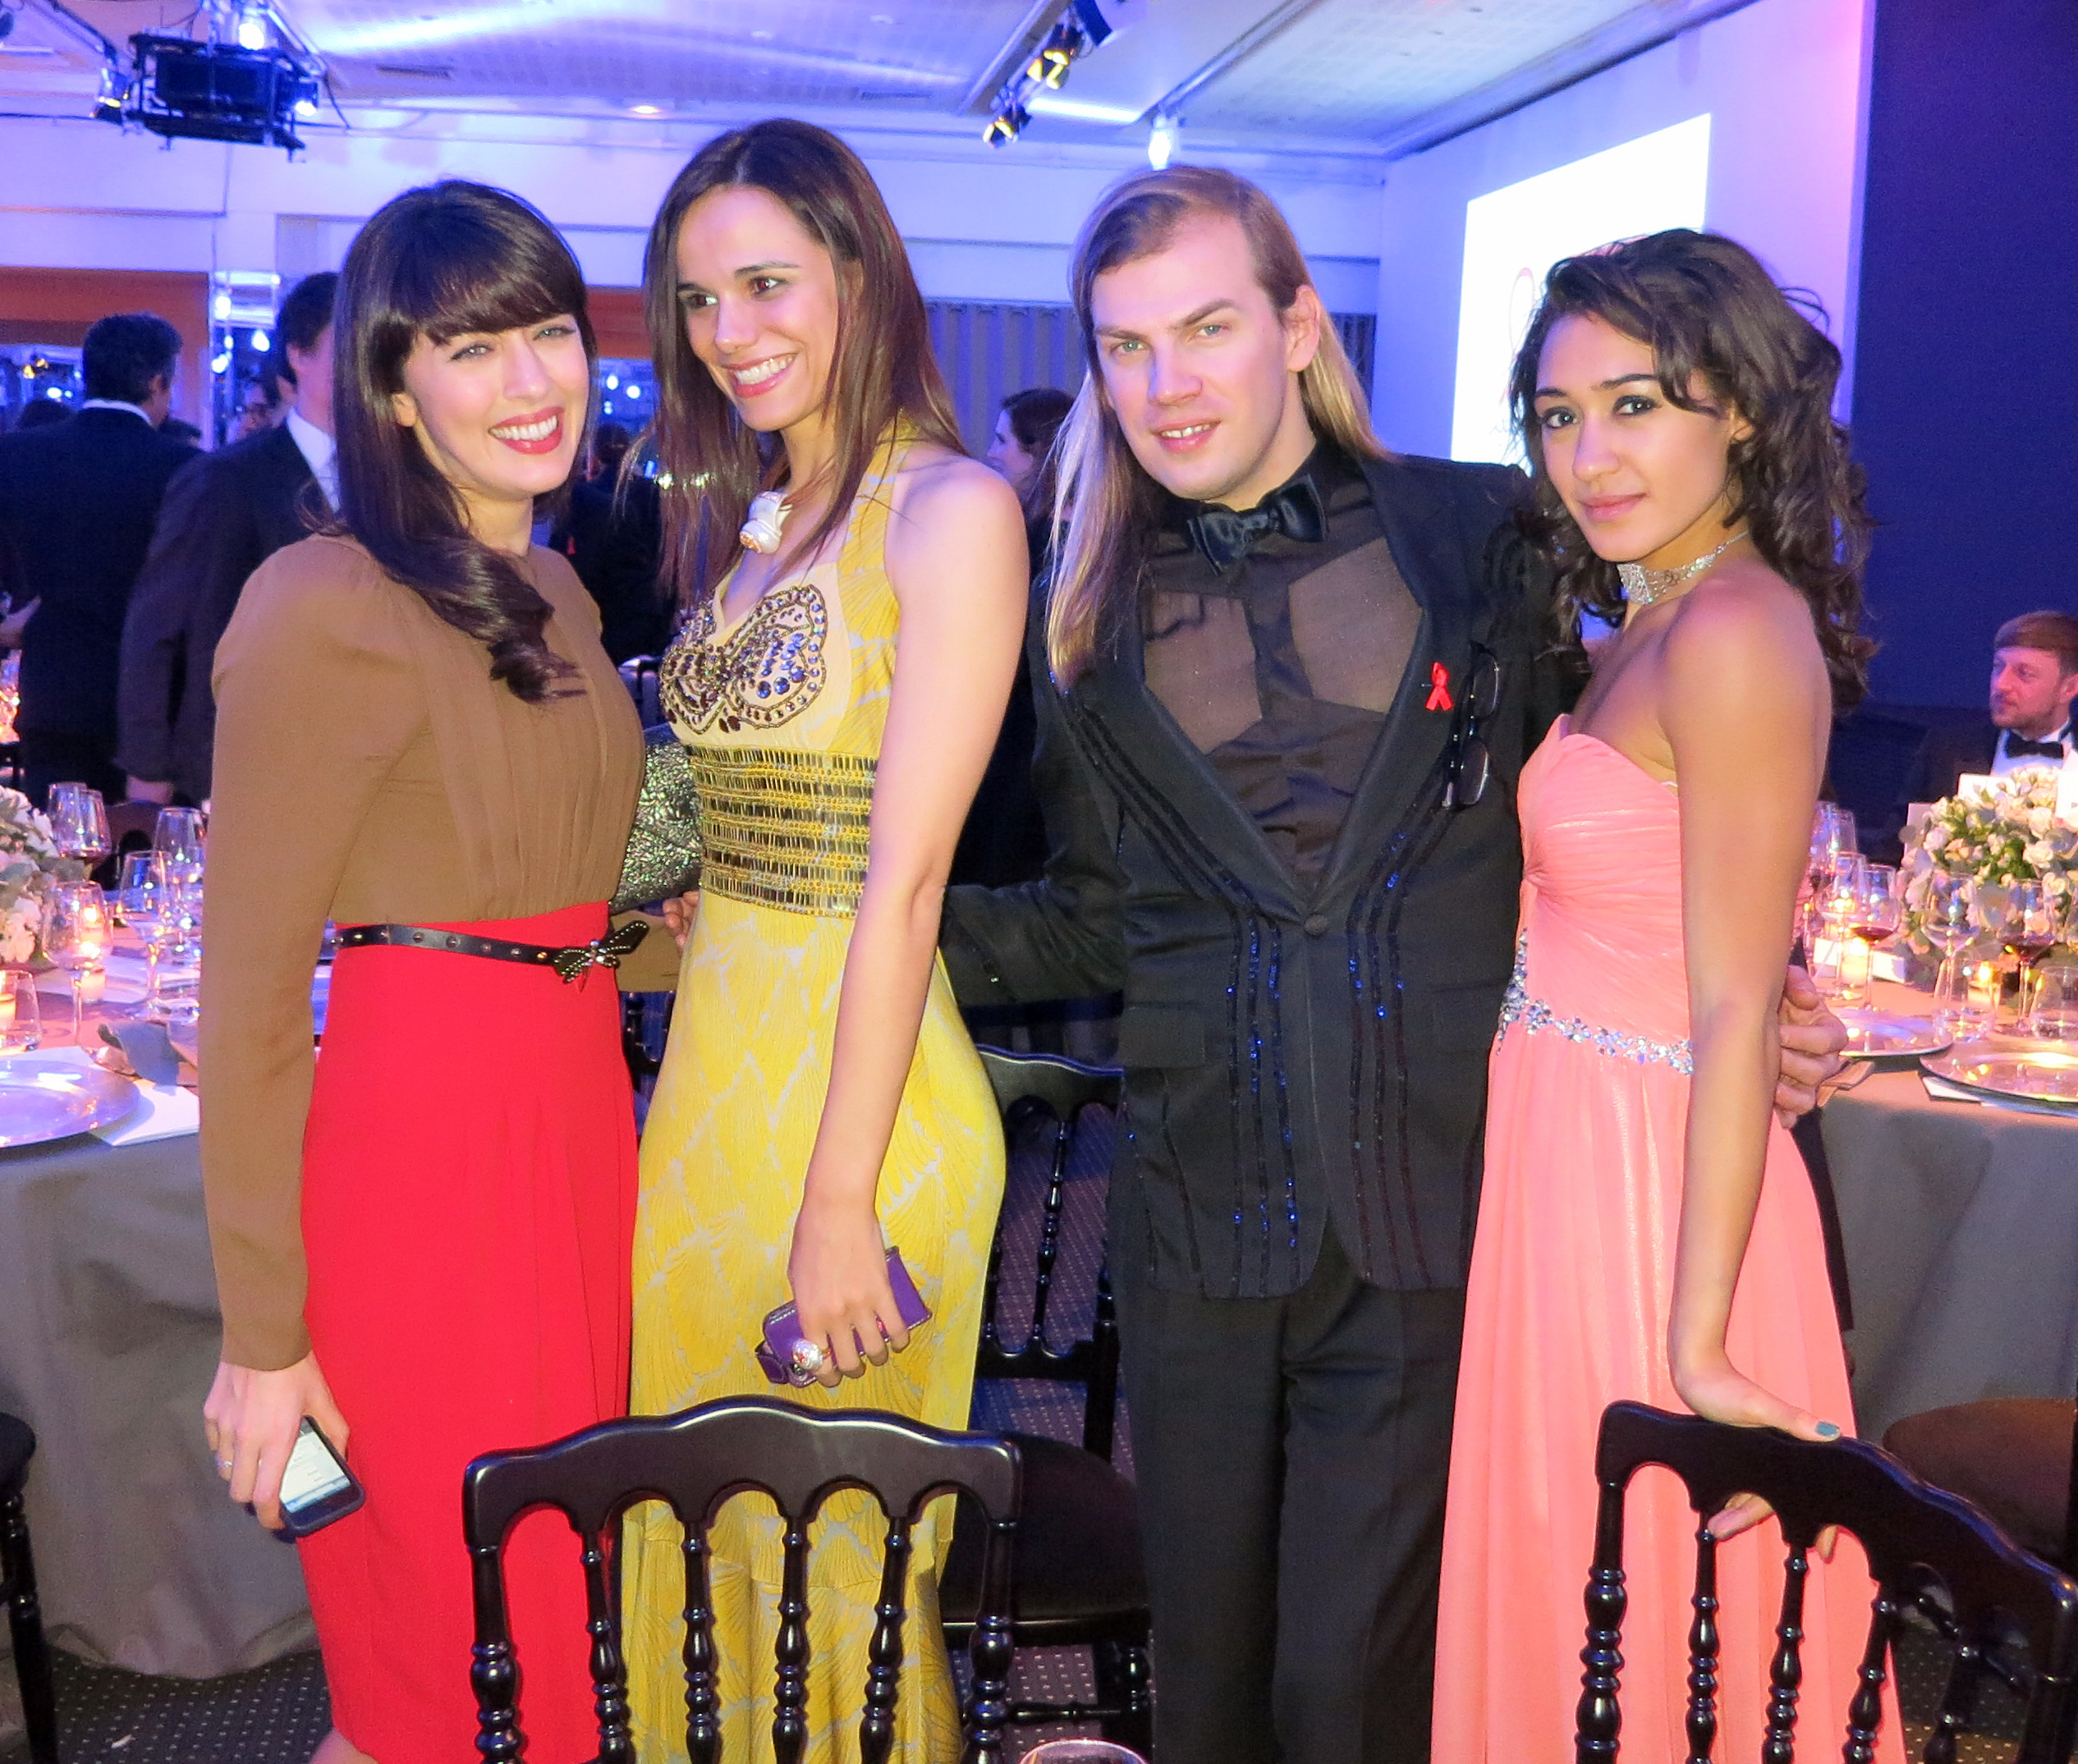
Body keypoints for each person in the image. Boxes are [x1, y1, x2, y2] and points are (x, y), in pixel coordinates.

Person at [938, 168, 1846, 1764]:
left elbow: (1609, 821)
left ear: (1297, 326)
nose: (1167, 382)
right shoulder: (1073, 601)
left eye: (1206, 327)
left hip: (1451, 1204)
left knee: (1373, 1687)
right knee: (1218, 1675)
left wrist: (1757, 993)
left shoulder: (1483, 538)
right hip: (1202, 1211)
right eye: (1125, 345)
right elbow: (1092, 911)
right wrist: (837, 934)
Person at [1433, 231, 1897, 1762]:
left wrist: (1697, 1345)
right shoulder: (1654, 614)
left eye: (1633, 405)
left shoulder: (1736, 625)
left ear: (1739, 410)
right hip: (1572, 1154)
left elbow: (1729, 1007)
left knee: (1641, 1630)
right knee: (1570, 1594)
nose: (1589, 455)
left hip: (1654, 1192)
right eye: (1558, 416)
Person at [199, 181, 643, 1764]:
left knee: (559, 1593)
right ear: (393, 388)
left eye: (550, 333)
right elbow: (248, 998)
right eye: (471, 348)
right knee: (447, 1645)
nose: (532, 381)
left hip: (578, 1121)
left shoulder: (563, 588)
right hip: (425, 1154)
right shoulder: (322, 601)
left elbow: (593, 903)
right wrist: (264, 1334)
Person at [620, 118, 1022, 1762]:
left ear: (857, 273)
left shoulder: (950, 511)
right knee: (693, 1523)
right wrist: (662, 879)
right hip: (708, 1088)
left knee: (835, 1570)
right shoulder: (760, 513)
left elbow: (902, 886)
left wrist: (839, 1201)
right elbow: (723, 798)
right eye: (699, 299)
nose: (731, 331)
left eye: (767, 283)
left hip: (859, 1113)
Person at [118, 271, 340, 807]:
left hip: (360, 767)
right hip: (241, 766)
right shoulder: (228, 478)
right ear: (299, 355)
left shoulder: (402, 483)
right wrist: (148, 768)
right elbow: (158, 627)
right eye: (352, 343)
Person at [0, 312, 195, 802]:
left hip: (55, 698)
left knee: (59, 845)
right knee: (153, 846)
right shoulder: (185, 468)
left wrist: (7, 624)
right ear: (157, 383)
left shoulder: (17, 455)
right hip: (156, 709)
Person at [952, 385, 1073, 892]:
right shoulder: (1058, 533)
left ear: (1039, 453)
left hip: (1023, 746)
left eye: (1004, 442)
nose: (991, 453)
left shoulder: (1042, 542)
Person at [1909, 608, 2078, 800]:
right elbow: (1908, 819)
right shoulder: (1946, 750)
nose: (2001, 684)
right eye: (1998, 667)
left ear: (2069, 688)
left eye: (2024, 674)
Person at [551, 418, 672, 662]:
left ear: (595, 453)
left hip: (604, 609)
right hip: (641, 604)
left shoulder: (589, 500)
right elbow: (663, 549)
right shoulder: (650, 492)